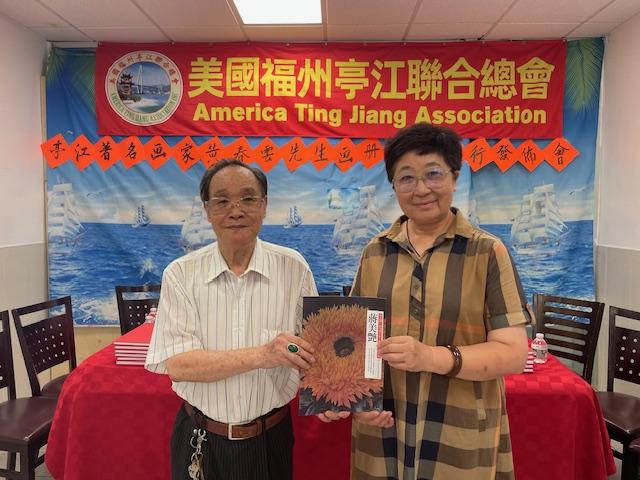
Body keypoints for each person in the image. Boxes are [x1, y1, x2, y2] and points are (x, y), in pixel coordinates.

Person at [320, 124, 531, 480]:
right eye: (406, 178)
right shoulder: (374, 253)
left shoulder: (487, 252)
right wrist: (347, 397)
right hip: (384, 428)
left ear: (454, 177)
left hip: (458, 430)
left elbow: (513, 354)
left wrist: (431, 357)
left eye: (433, 174)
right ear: (393, 186)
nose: (421, 189)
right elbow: (353, 341)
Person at [146, 159, 317, 480]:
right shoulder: (181, 274)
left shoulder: (294, 268)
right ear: (207, 210)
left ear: (264, 205)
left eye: (248, 199)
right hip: (200, 438)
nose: (235, 211)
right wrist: (262, 355)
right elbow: (179, 365)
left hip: (271, 439)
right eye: (222, 201)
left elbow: (313, 351)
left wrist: (334, 395)